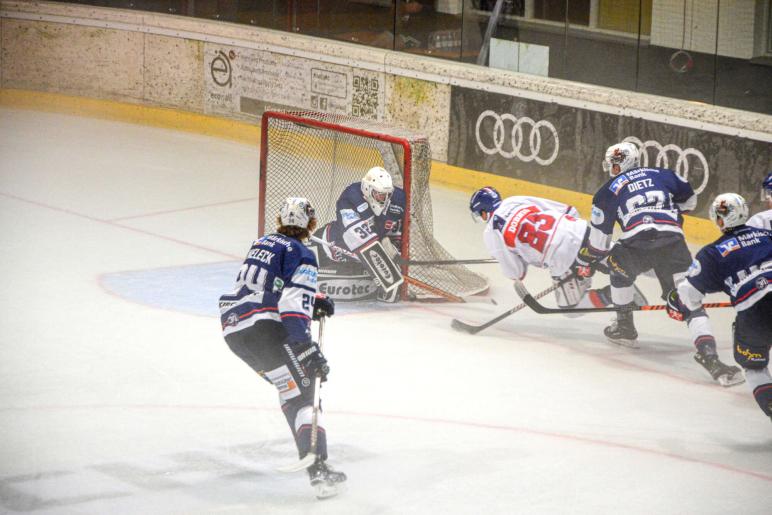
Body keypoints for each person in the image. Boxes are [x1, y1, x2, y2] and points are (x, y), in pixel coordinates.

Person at [580, 141, 742, 386]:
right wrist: (665, 212)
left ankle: (624, 328)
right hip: (672, 241)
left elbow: (599, 243)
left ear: (624, 164)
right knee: (689, 300)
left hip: (636, 244)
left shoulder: (607, 190)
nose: (611, 171)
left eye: (614, 166)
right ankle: (711, 358)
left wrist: (587, 258)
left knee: (617, 268)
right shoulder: (663, 174)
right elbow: (689, 201)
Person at [218, 197, 346, 498]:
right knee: (305, 396)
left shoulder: (261, 242)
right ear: (310, 224)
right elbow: (290, 305)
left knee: (292, 390)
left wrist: (313, 300)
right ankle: (319, 472)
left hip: (235, 330)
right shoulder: (302, 254)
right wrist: (305, 347)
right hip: (265, 331)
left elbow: (268, 287)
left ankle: (314, 464)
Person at [667, 193, 771, 419]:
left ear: (717, 219)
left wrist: (675, 302)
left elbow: (689, 295)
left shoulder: (712, 253)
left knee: (754, 367)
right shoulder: (767, 235)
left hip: (755, 312)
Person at [469, 186, 630, 312]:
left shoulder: (491, 232)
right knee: (630, 260)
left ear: (484, 213)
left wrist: (523, 253)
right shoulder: (514, 200)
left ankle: (613, 294)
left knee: (570, 308)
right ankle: (640, 272)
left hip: (562, 258)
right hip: (579, 230)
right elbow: (570, 210)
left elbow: (516, 273)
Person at [312, 166, 406, 302]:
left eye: (387, 195)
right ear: (368, 189)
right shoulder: (350, 197)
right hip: (327, 248)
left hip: (358, 261)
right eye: (380, 195)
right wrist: (390, 271)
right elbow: (363, 242)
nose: (384, 199)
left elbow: (397, 231)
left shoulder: (397, 199)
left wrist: (394, 250)